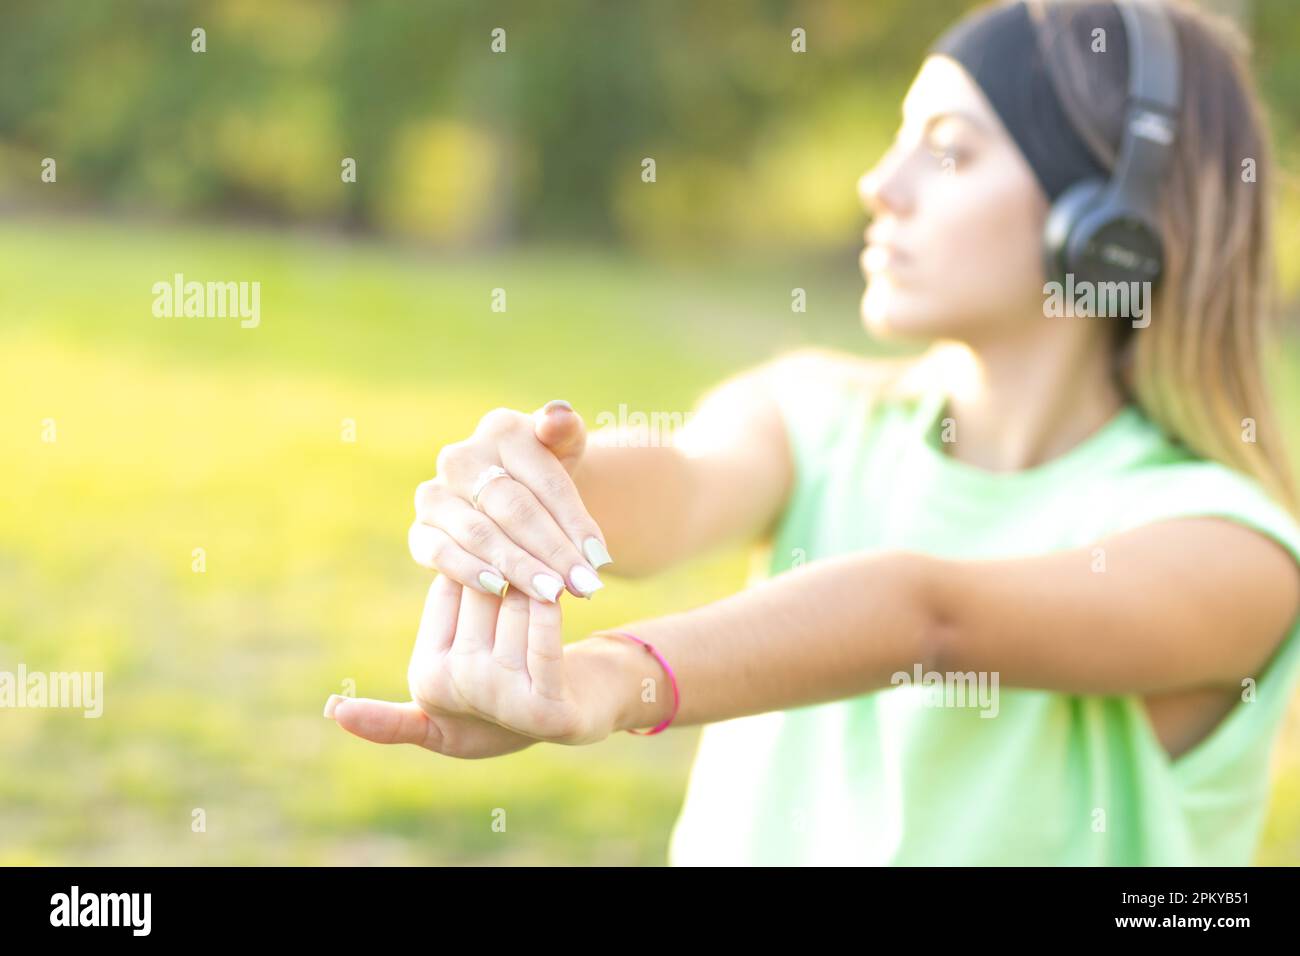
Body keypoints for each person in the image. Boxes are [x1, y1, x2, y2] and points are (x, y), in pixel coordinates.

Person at [327, 0, 1300, 865]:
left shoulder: (1231, 546)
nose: (880, 183)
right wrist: (536, 489)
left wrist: (613, 678)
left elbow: (926, 618)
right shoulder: (817, 411)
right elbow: (683, 483)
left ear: (1106, 227)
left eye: (950, 149)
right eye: (897, 137)